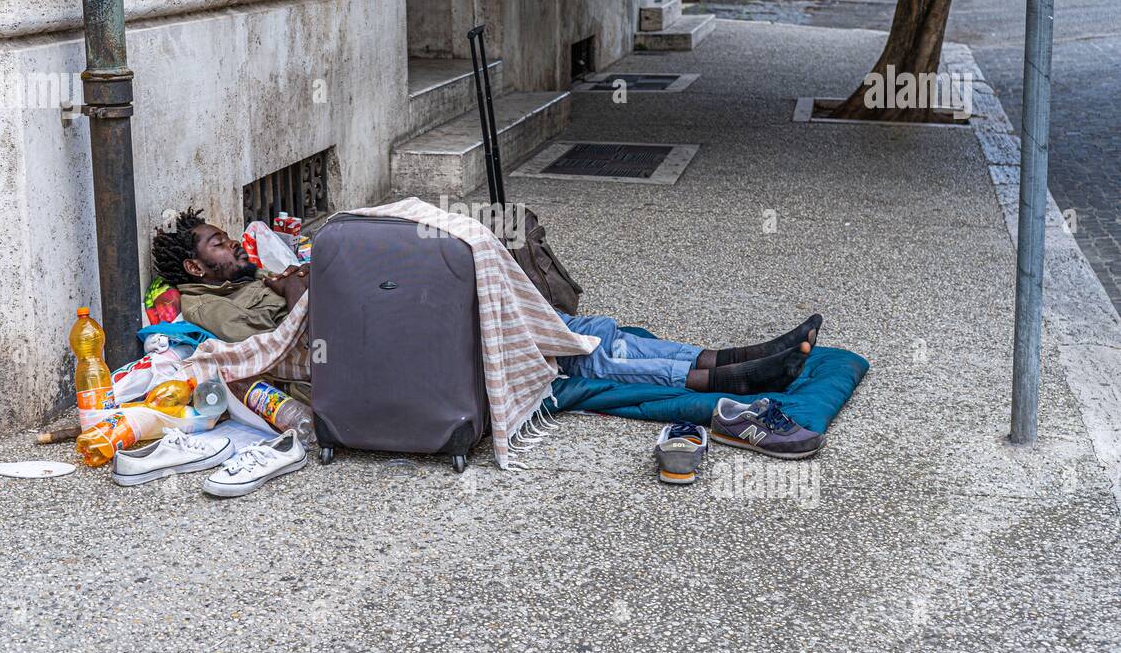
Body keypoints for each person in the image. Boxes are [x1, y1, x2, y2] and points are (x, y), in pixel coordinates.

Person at [150, 208, 818, 395]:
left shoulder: (243, 273)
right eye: (216, 244)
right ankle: (722, 377)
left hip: (380, 317)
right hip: (369, 348)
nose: (231, 246)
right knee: (576, 357)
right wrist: (293, 279)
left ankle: (734, 355)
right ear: (191, 265)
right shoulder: (198, 306)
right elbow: (285, 339)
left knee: (578, 326)